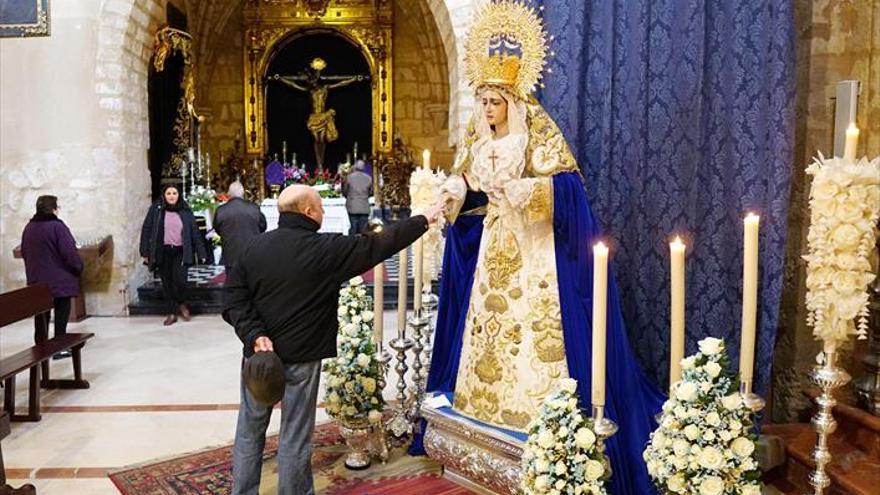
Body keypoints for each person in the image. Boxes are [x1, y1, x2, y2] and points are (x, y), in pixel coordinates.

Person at [425, 3, 664, 494]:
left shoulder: (538, 136)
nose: (487, 110)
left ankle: (541, 412)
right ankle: (479, 405)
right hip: (495, 250)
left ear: (513, 100)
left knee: (535, 333)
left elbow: (570, 191)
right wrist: (455, 191)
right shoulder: (478, 142)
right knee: (485, 329)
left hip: (535, 256)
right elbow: (471, 187)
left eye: (494, 101)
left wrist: (533, 191)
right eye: (483, 101)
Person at [224, 184, 444, 495]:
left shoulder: (253, 248)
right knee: (295, 435)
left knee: (249, 431)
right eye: (321, 208)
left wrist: (254, 334)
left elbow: (234, 299)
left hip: (259, 357)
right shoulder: (324, 248)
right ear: (308, 211)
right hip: (302, 358)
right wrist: (422, 220)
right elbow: (378, 244)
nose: (324, 214)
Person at [20, 195, 83, 359]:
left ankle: (40, 347)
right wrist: (78, 267)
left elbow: (25, 252)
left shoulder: (29, 228)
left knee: (41, 316)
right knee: (61, 312)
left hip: (37, 281)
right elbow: (68, 251)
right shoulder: (57, 227)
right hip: (59, 279)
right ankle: (59, 347)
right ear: (54, 209)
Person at [139, 184, 206, 326]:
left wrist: (201, 252)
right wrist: (144, 251)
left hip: (181, 251)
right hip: (162, 251)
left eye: (174, 193)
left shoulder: (185, 210)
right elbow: (147, 228)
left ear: (179, 195)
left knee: (180, 281)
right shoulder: (156, 210)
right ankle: (171, 312)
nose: (171, 196)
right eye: (168, 193)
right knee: (167, 283)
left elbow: (194, 231)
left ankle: (182, 303)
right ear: (164, 195)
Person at [213, 181, 267, 271]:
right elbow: (263, 226)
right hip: (251, 255)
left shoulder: (221, 210)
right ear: (243, 193)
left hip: (230, 255)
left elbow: (217, 228)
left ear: (229, 194)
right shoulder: (253, 208)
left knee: (232, 282)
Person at [342, 160, 372, 235]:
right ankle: (364, 245)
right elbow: (371, 192)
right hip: (364, 206)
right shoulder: (369, 178)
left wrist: (349, 197)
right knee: (364, 230)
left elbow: (345, 191)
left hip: (352, 206)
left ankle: (352, 245)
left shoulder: (349, 177)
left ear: (355, 167)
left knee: (353, 228)